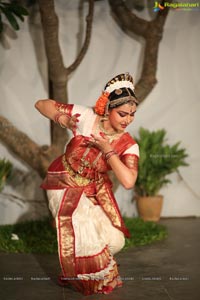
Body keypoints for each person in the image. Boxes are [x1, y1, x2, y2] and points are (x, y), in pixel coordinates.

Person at [35, 72, 139, 295]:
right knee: (85, 233)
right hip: (62, 182)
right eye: (122, 113)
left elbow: (129, 181)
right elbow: (42, 104)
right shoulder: (85, 116)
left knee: (115, 241)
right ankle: (82, 274)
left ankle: (73, 266)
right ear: (108, 107)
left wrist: (108, 150)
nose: (127, 120)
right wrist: (61, 118)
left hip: (92, 189)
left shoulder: (128, 144)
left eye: (132, 115)